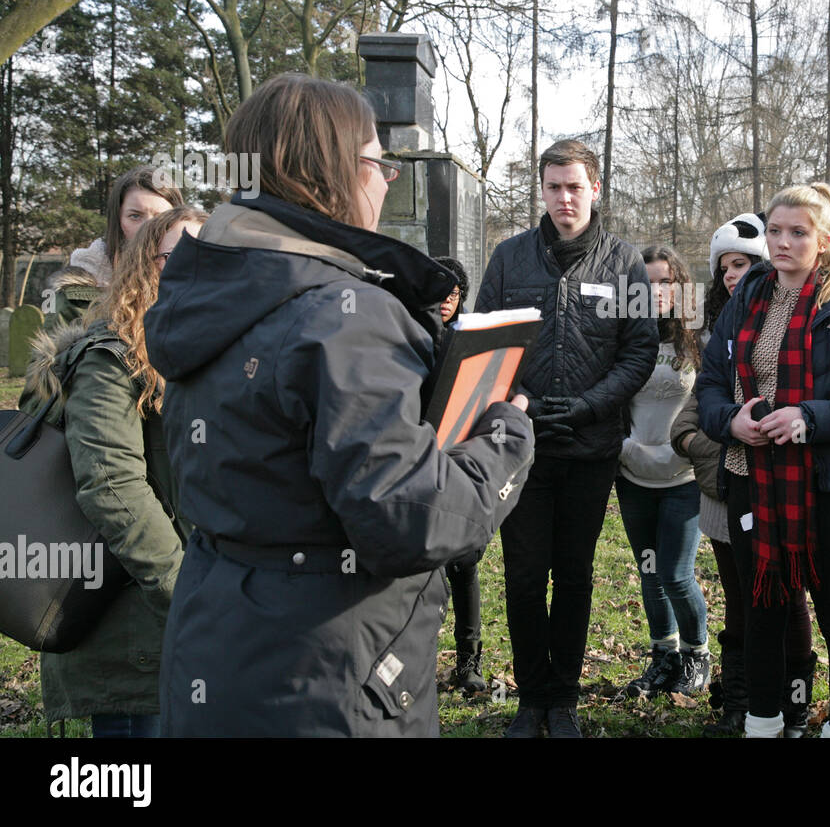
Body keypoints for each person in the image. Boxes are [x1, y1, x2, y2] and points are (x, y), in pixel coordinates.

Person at [142, 73, 534, 737]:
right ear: (334, 172)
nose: (387, 181)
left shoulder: (215, 290)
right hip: (326, 679)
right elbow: (414, 520)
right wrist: (507, 435)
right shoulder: (343, 315)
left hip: (221, 643)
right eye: (380, 163)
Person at [476, 138, 658, 738]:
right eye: (553, 187)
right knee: (525, 574)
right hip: (522, 447)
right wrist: (518, 402)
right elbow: (485, 343)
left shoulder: (624, 262)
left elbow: (638, 351)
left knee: (575, 575)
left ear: (596, 188)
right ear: (542, 190)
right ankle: (532, 699)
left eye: (574, 186)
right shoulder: (509, 259)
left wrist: (586, 406)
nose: (563, 198)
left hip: (590, 447)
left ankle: (565, 700)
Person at [697, 183, 830, 738]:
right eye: (775, 230)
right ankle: (764, 723)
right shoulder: (746, 296)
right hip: (748, 479)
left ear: (825, 242)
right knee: (763, 611)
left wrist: (809, 417)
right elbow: (711, 381)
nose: (781, 242)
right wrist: (730, 420)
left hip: (828, 488)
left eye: (797, 233)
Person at [21, 206, 207, 737]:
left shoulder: (200, 351)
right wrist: (187, 594)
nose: (201, 266)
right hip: (135, 629)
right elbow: (111, 487)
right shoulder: (112, 357)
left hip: (191, 619)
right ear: (147, 266)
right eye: (182, 255)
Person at [672, 214, 817, 736]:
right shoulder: (714, 330)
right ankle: (740, 699)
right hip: (723, 487)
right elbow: (695, 408)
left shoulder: (785, 317)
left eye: (742, 263)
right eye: (724, 266)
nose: (732, 274)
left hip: (783, 485)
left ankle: (792, 697)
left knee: (786, 595)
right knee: (740, 597)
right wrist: (697, 443)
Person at [616, 244, 710, 697]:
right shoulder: (624, 335)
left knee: (676, 573)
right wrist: (624, 447)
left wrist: (693, 448)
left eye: (666, 282)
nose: (657, 291)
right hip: (634, 475)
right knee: (650, 572)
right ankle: (664, 658)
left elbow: (712, 400)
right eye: (647, 282)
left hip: (684, 477)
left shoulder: (699, 336)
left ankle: (697, 654)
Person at [431, 256, 489, 696]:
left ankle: (470, 661)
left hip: (462, 460)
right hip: (417, 462)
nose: (447, 300)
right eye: (440, 291)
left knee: (465, 566)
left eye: (455, 293)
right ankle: (418, 656)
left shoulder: (472, 338)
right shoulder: (406, 329)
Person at [48, 165, 183, 324]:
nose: (148, 228)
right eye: (135, 216)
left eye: (161, 218)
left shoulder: (198, 287)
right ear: (118, 221)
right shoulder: (76, 298)